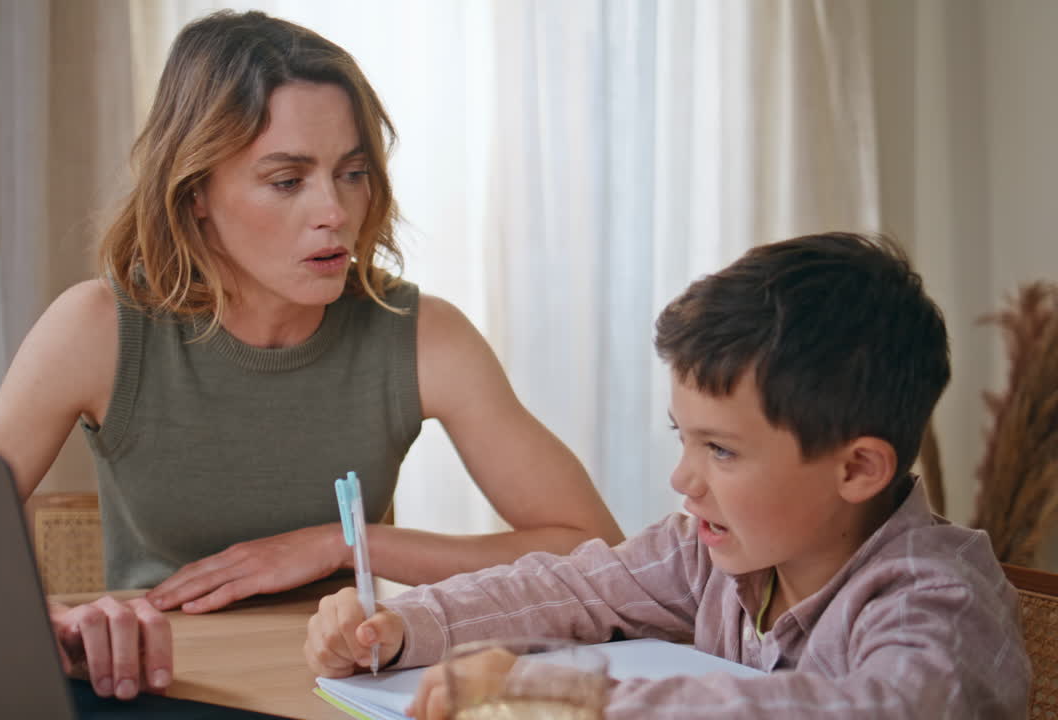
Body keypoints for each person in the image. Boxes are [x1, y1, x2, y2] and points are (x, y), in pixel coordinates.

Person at [0, 9, 624, 701]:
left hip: (343, 688)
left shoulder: (422, 334)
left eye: (352, 172)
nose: (334, 210)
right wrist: (51, 620)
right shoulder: (99, 327)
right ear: (197, 193)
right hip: (152, 691)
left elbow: (595, 550)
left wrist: (344, 543)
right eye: (287, 180)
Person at [305, 232, 1031, 719]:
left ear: (857, 468)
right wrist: (403, 627)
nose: (684, 479)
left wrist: (567, 698)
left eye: (721, 450)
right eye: (683, 439)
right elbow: (569, 587)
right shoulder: (708, 551)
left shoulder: (935, 602)